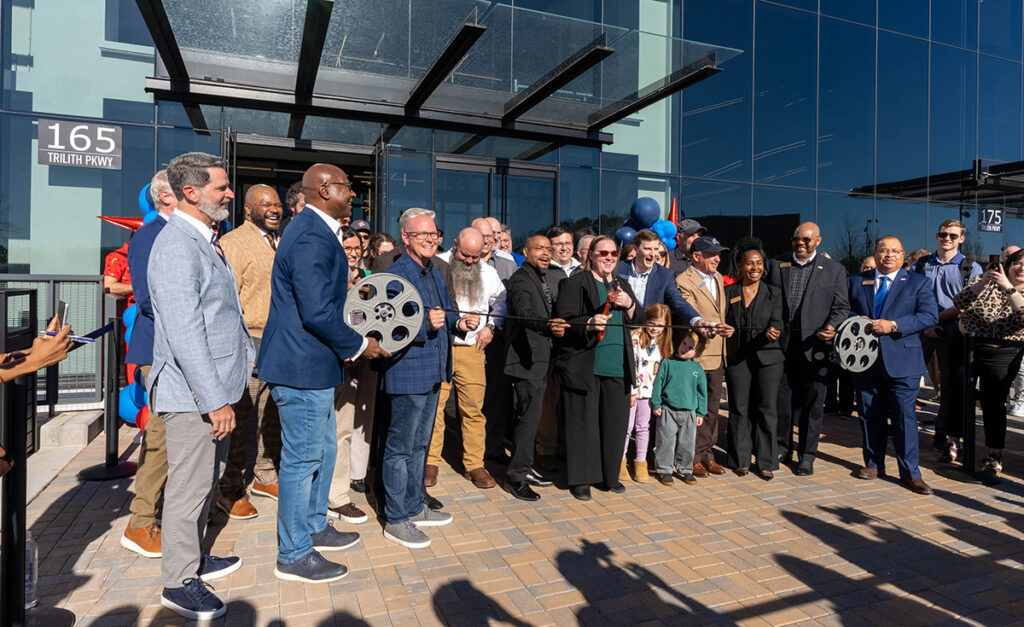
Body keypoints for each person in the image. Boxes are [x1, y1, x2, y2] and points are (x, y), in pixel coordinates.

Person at [257, 164, 389, 584]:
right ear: (325, 189)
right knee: (303, 459)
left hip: (312, 364)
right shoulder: (312, 234)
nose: (353, 195)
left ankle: (314, 525)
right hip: (300, 366)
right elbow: (316, 310)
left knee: (323, 452)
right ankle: (293, 553)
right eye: (348, 188)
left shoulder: (315, 230)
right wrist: (358, 344)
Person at [148, 152, 253, 619]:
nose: (230, 193)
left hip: (213, 392)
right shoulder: (175, 246)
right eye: (221, 187)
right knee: (189, 488)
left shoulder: (203, 239)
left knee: (204, 483)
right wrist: (214, 402)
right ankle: (178, 581)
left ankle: (193, 558)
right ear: (190, 193)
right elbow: (187, 335)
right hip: (194, 397)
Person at [380, 212, 477, 548]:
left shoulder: (435, 271)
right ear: (404, 237)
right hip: (407, 373)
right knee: (400, 448)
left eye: (433, 234)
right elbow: (385, 328)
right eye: (421, 234)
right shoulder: (394, 275)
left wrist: (459, 324)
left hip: (435, 371)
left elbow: (446, 313)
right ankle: (396, 519)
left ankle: (414, 506)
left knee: (421, 445)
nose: (429, 239)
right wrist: (426, 325)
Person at [554, 235, 642, 500]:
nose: (609, 258)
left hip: (617, 366)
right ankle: (581, 479)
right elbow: (564, 321)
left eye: (614, 254)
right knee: (584, 425)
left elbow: (639, 319)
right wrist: (589, 322)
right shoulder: (576, 282)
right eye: (603, 253)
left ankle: (608, 476)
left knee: (614, 425)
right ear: (590, 255)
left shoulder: (622, 283)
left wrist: (630, 306)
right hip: (586, 365)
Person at [847, 236, 937, 495]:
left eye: (895, 251)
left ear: (903, 255)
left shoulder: (918, 283)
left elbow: (928, 316)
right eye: (883, 250)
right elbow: (842, 309)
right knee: (869, 413)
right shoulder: (856, 281)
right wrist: (858, 319)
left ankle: (910, 473)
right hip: (865, 359)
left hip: (903, 360)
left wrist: (894, 326)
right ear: (875, 254)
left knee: (904, 417)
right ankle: (873, 464)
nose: (889, 255)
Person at [215, 184, 283, 521]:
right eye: (265, 204)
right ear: (247, 209)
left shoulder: (277, 242)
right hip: (248, 343)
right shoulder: (233, 244)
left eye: (277, 203)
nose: (273, 208)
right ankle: (229, 488)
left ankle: (265, 476)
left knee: (271, 416)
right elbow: (227, 302)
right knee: (242, 419)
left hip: (277, 343)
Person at [121, 170, 176, 559]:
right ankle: (140, 522)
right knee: (160, 436)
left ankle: (166, 513)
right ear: (166, 197)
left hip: (178, 352)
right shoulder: (149, 234)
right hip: (158, 351)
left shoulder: (184, 233)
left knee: (178, 436)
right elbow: (146, 299)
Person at [765, 222, 849, 476]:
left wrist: (832, 326)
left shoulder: (834, 270)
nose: (800, 243)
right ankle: (782, 447)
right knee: (782, 400)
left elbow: (841, 307)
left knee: (813, 402)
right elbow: (766, 299)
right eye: (796, 239)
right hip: (783, 344)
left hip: (816, 345)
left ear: (818, 241)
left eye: (806, 240)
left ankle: (807, 455)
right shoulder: (775, 265)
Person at [426, 228, 507, 490]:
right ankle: (430, 461)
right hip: (442, 347)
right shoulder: (437, 265)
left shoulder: (488, 272)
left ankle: (474, 464)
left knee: (473, 409)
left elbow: (502, 303)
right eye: (465, 255)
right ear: (454, 245)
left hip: (472, 350)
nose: (470, 261)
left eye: (475, 256)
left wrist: (490, 327)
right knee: (436, 407)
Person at [502, 235, 569, 501]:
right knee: (528, 420)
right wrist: (548, 324)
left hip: (541, 358)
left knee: (533, 418)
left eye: (549, 250)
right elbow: (523, 312)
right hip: (525, 360)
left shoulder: (542, 276)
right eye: (539, 248)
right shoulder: (520, 279)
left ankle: (525, 467)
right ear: (525, 251)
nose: (545, 253)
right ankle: (515, 476)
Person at [948, 249, 1024, 478]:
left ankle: (994, 453)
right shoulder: (985, 279)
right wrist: (984, 284)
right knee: (959, 394)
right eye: (1017, 263)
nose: (1020, 268)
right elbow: (959, 302)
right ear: (1008, 264)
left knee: (994, 401)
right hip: (967, 344)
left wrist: (1008, 288)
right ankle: (953, 441)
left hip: (1004, 351)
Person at [914, 219, 983, 453]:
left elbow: (970, 303)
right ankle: (902, 429)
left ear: (962, 239)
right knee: (908, 380)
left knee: (949, 388)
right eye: (943, 234)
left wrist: (936, 319)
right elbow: (910, 296)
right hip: (922, 329)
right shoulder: (921, 264)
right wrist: (925, 322)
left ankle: (943, 437)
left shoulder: (971, 267)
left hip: (954, 329)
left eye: (953, 236)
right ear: (937, 236)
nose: (947, 239)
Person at [675, 236, 736, 478]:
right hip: (696, 354)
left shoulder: (719, 278)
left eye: (719, 254)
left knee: (712, 409)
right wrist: (709, 326)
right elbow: (690, 314)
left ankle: (707, 454)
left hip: (718, 354)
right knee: (693, 411)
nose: (718, 258)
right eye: (712, 254)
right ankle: (691, 457)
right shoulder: (683, 280)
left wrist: (725, 327)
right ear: (696, 256)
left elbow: (720, 313)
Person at [325, 227, 374, 524]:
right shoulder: (328, 280)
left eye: (357, 248)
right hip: (325, 365)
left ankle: (338, 496)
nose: (354, 253)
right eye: (347, 248)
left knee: (342, 431)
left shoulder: (367, 280)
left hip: (353, 367)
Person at [725, 245, 784, 480]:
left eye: (759, 263)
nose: (755, 267)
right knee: (739, 407)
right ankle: (740, 459)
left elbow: (779, 321)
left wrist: (775, 330)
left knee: (766, 408)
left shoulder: (774, 293)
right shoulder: (729, 292)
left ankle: (766, 460)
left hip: (768, 356)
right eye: (750, 263)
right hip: (738, 357)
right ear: (740, 266)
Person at [623, 303, 673, 483]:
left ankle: (640, 462)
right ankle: (620, 462)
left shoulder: (663, 342)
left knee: (644, 427)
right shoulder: (636, 337)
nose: (655, 328)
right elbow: (632, 364)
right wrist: (632, 391)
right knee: (627, 428)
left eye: (660, 325)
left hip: (650, 393)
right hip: (633, 391)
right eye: (652, 323)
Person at [650, 330, 706, 486]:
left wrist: (701, 412)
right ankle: (665, 470)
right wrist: (656, 403)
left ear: (698, 352)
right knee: (665, 442)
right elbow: (658, 384)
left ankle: (685, 469)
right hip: (668, 410)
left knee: (687, 443)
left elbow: (702, 393)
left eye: (691, 348)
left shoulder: (697, 369)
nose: (685, 348)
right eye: (684, 343)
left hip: (689, 413)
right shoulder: (668, 363)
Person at [615, 229, 700, 325]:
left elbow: (678, 302)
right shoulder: (617, 268)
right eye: (647, 249)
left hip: (650, 333)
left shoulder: (665, 275)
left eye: (655, 249)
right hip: (621, 330)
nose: (653, 254)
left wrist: (697, 320)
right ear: (635, 249)